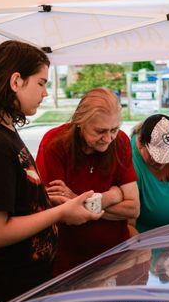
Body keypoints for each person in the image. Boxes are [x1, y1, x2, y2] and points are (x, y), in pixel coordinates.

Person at [0, 40, 102, 302]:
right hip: (3, 292)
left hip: (23, 287)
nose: (45, 92)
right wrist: (60, 212)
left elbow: (13, 200)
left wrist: (48, 202)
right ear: (16, 81)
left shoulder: (4, 133)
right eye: (40, 83)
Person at [36, 88, 140, 275]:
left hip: (116, 254)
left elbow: (133, 209)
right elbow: (58, 214)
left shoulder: (121, 141)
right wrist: (113, 195)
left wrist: (77, 198)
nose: (108, 138)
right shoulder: (55, 144)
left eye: (114, 130)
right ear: (80, 122)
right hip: (69, 261)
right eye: (100, 131)